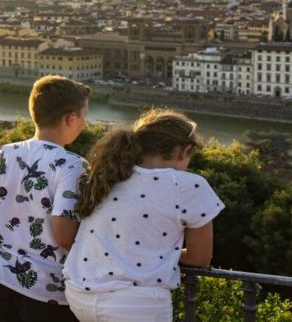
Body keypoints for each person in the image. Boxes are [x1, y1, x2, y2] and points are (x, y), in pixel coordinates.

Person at [63, 109, 223, 322]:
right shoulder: (188, 185)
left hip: (79, 294)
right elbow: (200, 258)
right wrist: (156, 254)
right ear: (184, 151)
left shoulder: (110, 175)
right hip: (136, 305)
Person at [0, 75, 91, 322]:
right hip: (45, 288)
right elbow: (63, 234)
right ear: (70, 118)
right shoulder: (73, 166)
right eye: (84, 115)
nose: (84, 122)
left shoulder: (0, 154)